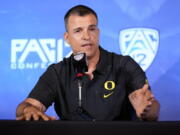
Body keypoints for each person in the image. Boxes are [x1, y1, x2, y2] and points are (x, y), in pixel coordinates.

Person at [16, 5, 160, 121]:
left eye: (92, 29)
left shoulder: (124, 65)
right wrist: (29, 109)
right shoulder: (57, 72)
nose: (86, 36)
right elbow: (27, 106)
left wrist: (147, 109)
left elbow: (152, 109)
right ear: (67, 38)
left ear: (98, 32)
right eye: (78, 31)